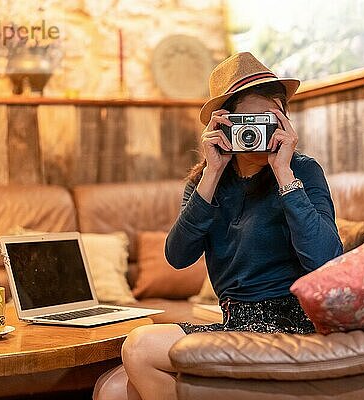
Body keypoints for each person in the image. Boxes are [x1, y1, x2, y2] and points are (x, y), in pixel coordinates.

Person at [93, 52, 343, 400]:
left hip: (291, 325)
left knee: (139, 347)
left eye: (269, 118)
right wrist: (211, 172)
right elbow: (178, 256)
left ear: (284, 120)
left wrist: (284, 174)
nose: (258, 131)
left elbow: (325, 260)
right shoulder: (207, 182)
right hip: (233, 323)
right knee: (116, 391)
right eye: (247, 121)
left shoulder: (302, 171)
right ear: (224, 125)